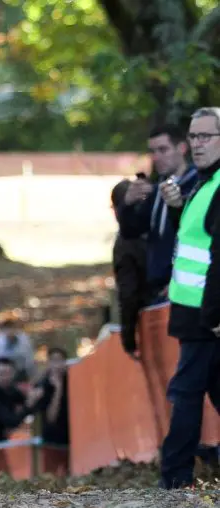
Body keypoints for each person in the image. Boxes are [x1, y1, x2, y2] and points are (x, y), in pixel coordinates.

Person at [158, 107, 220, 488]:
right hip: (194, 313)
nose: (196, 144)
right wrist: (176, 207)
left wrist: (213, 314)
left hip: (205, 316)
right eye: (193, 137)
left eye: (206, 136)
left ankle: (175, 475)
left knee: (186, 392)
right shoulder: (202, 182)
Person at [117, 124, 198, 304]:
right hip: (156, 287)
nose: (156, 157)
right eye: (152, 151)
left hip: (184, 287)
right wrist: (128, 203)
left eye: (163, 150)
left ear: (182, 148)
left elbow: (200, 240)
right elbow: (131, 231)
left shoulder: (196, 185)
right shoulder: (157, 189)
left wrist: (181, 279)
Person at [110, 179, 149, 360]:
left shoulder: (125, 245)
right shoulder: (155, 228)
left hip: (150, 316)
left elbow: (128, 295)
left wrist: (128, 340)